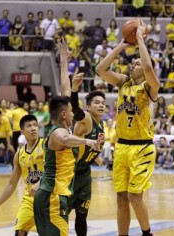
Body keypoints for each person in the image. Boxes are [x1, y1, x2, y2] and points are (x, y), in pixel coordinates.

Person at [96, 20, 160, 236]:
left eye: (136, 63)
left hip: (142, 148)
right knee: (121, 197)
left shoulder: (150, 86)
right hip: (122, 147)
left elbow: (149, 67)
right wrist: (122, 45)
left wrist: (140, 39)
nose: (133, 65)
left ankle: (146, 232)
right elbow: (100, 69)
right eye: (131, 63)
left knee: (135, 196)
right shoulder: (123, 82)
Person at [33, 38, 101, 236]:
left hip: (50, 195)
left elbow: (64, 89)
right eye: (71, 112)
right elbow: (65, 140)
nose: (74, 114)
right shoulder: (57, 133)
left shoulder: (64, 126)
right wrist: (88, 141)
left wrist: (64, 62)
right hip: (53, 197)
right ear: (64, 115)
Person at [58, 36, 106, 236]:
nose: (101, 105)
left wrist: (96, 155)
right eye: (96, 102)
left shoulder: (100, 123)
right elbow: (75, 108)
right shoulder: (85, 117)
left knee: (82, 215)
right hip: (68, 172)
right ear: (89, 106)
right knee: (61, 216)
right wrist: (75, 89)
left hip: (84, 173)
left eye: (103, 103)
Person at [0, 115, 45, 236]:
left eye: (35, 125)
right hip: (30, 199)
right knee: (20, 231)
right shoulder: (19, 155)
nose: (33, 128)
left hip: (49, 196)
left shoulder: (47, 145)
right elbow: (11, 184)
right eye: (29, 126)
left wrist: (40, 183)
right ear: (22, 131)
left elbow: (56, 169)